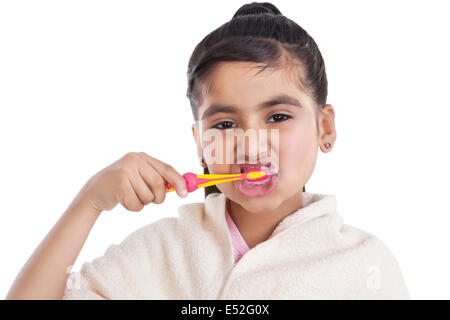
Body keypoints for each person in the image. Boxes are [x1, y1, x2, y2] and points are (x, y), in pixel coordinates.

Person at [6, 2, 410, 299]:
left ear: (325, 127)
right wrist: (90, 201)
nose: (251, 145)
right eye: (226, 125)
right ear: (201, 145)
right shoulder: (159, 251)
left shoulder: (367, 265)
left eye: (277, 117)